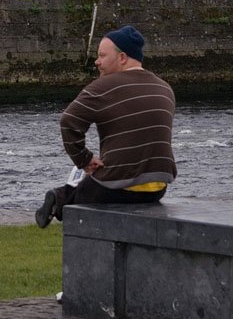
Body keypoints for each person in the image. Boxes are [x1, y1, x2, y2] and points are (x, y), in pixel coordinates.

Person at [35, 25, 176, 228]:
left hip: (117, 186)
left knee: (82, 195)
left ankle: (58, 198)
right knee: (91, 186)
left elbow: (68, 121)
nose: (97, 61)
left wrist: (83, 159)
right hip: (158, 185)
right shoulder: (165, 88)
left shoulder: (103, 87)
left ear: (122, 58)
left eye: (102, 56)